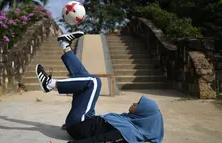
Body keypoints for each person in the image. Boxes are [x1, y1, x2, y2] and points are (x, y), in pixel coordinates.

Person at [35, 31, 164, 143]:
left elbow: (99, 141)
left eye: (137, 104)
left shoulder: (128, 133)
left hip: (79, 125)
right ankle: (64, 44)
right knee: (83, 77)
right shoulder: (128, 122)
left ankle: (49, 84)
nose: (134, 103)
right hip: (83, 120)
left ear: (143, 113)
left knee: (94, 82)